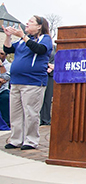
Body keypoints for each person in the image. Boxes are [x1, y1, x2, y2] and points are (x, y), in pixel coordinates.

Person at [3, 16, 53, 150]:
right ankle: (15, 139)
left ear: (39, 26)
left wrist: (23, 36)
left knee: (31, 112)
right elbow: (8, 49)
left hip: (33, 82)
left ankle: (31, 140)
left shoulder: (45, 39)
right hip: (16, 81)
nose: (27, 23)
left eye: (31, 22)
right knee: (15, 112)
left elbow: (40, 49)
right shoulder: (21, 41)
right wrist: (8, 36)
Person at [40, 45, 55, 126]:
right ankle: (38, 119)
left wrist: (53, 66)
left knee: (47, 99)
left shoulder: (55, 47)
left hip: (50, 75)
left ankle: (46, 119)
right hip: (39, 73)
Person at [0, 49, 11, 126]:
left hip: (3, 90)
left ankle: (6, 122)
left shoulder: (9, 66)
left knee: (5, 97)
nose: (0, 55)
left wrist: (1, 65)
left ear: (6, 55)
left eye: (1, 53)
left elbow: (5, 79)